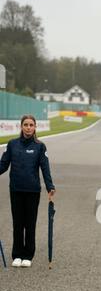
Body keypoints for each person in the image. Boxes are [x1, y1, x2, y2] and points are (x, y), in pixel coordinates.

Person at [0, 114, 55, 268]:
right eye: (26, 125)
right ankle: (17, 254)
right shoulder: (12, 144)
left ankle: (28, 255)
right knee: (18, 223)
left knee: (30, 224)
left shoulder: (40, 146)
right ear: (21, 126)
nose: (29, 127)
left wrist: (50, 186)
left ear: (35, 127)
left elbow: (45, 168)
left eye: (31, 125)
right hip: (16, 189)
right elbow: (3, 165)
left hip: (32, 191)